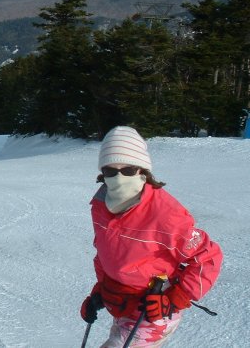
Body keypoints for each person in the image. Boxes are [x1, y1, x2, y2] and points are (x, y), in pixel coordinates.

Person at [80, 126, 222, 347]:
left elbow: (208, 256)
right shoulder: (100, 206)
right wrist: (101, 288)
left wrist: (176, 298)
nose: (119, 178)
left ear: (142, 171)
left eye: (128, 170)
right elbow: (107, 253)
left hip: (154, 308)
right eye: (110, 171)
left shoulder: (165, 213)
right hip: (123, 303)